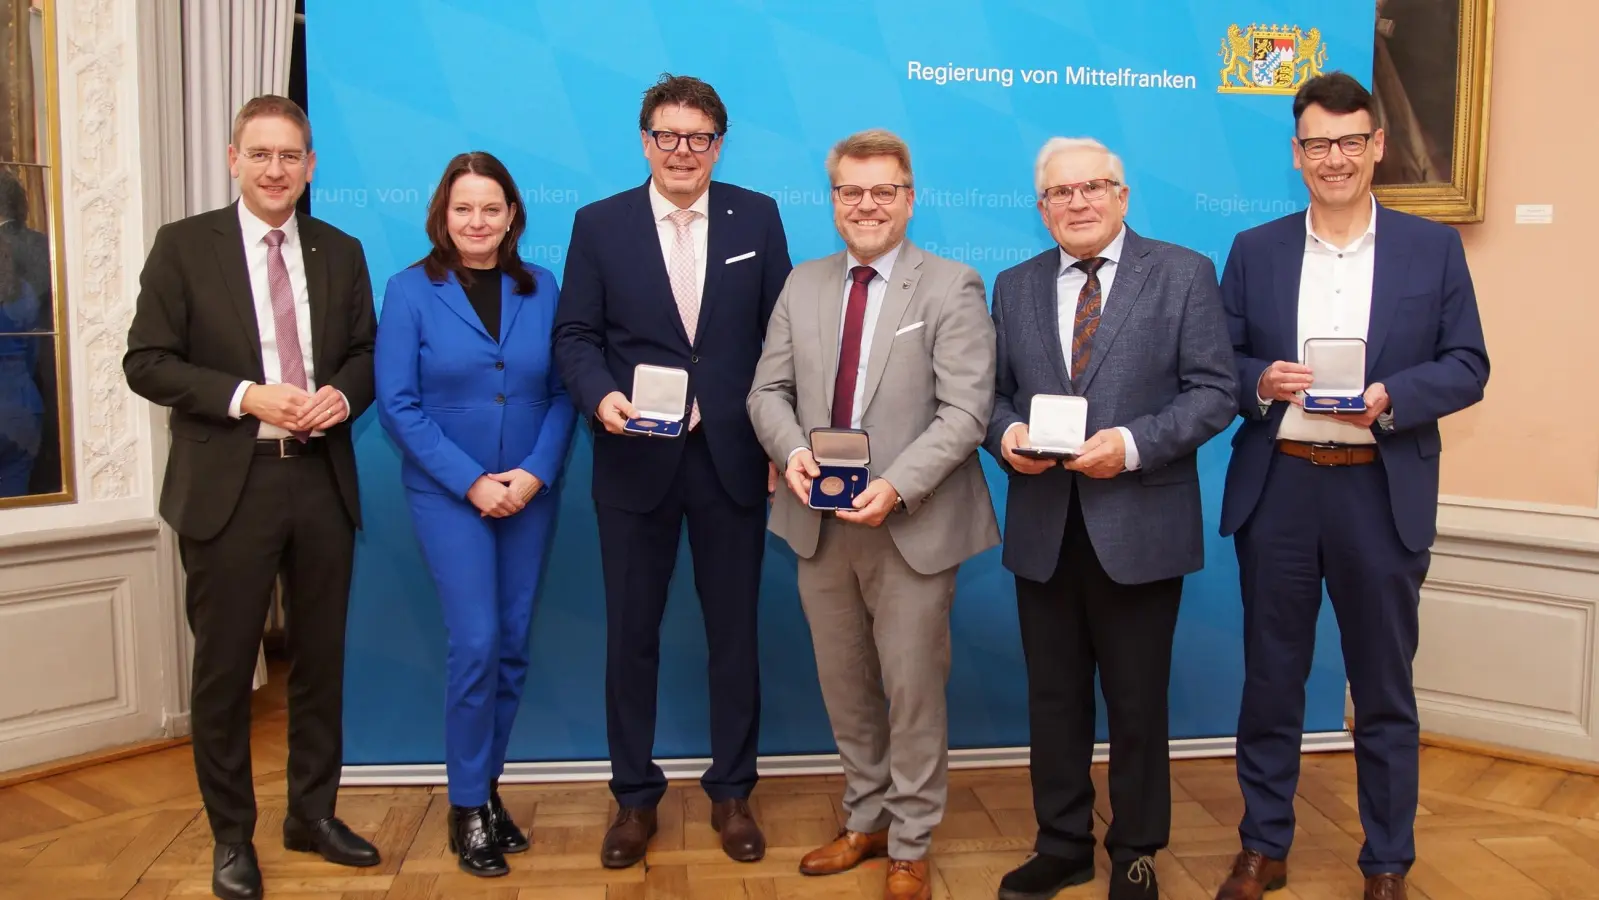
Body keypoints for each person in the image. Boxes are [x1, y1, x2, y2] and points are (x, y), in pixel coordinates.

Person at [1214, 72, 1489, 900]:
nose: (1332, 158)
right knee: (1270, 682)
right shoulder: (1254, 250)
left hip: (1379, 490)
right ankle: (1263, 845)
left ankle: (1385, 861)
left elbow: (1467, 364)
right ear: (1295, 155)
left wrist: (1392, 396)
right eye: (1314, 144)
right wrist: (1262, 380)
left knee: (1382, 688)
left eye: (1348, 141)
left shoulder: (1429, 248)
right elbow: (1214, 366)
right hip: (1282, 491)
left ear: (1376, 146)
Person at [123, 95, 379, 900]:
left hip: (320, 479)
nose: (275, 170)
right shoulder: (182, 247)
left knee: (320, 665)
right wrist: (246, 395)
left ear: (309, 167)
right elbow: (147, 362)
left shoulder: (340, 249)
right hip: (227, 485)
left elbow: (368, 352)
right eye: (260, 154)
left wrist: (340, 396)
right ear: (233, 159)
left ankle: (312, 815)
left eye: (290, 157)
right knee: (226, 671)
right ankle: (232, 835)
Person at [748, 129, 998, 900]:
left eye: (883, 190)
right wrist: (790, 453)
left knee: (912, 688)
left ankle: (911, 841)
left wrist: (892, 485)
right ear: (832, 201)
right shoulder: (803, 282)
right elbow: (766, 392)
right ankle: (865, 817)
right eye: (851, 192)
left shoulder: (951, 284)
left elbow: (966, 413)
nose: (866, 205)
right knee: (844, 683)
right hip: (817, 523)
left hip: (911, 525)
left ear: (908, 197)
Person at [984, 137, 1237, 900]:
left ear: (1122, 195)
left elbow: (1213, 391)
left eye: (1093, 187)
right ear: (1041, 209)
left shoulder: (1184, 273)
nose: (1078, 203)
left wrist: (1128, 446)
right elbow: (991, 395)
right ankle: (1061, 842)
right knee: (1052, 699)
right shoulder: (1014, 284)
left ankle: (1134, 849)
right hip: (1044, 529)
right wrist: (1006, 437)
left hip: (1139, 525)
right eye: (1060, 193)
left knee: (1135, 701)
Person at [551, 73, 792, 868]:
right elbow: (575, 337)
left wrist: (771, 440)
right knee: (631, 640)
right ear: (644, 139)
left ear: (718, 145)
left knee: (734, 639)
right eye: (666, 135)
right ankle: (632, 799)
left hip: (730, 461)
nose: (681, 150)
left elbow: (777, 343)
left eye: (698, 137)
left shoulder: (756, 215)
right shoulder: (600, 224)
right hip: (632, 464)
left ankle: (732, 793)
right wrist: (601, 399)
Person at [374, 151, 576, 877]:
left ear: (513, 216)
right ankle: (464, 806)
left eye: (491, 208)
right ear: (442, 214)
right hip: (449, 495)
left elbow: (562, 391)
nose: (477, 221)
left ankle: (488, 793)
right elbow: (396, 405)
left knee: (514, 643)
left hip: (526, 493)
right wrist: (472, 483)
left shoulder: (542, 287)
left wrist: (532, 473)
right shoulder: (409, 290)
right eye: (463, 208)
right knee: (477, 643)